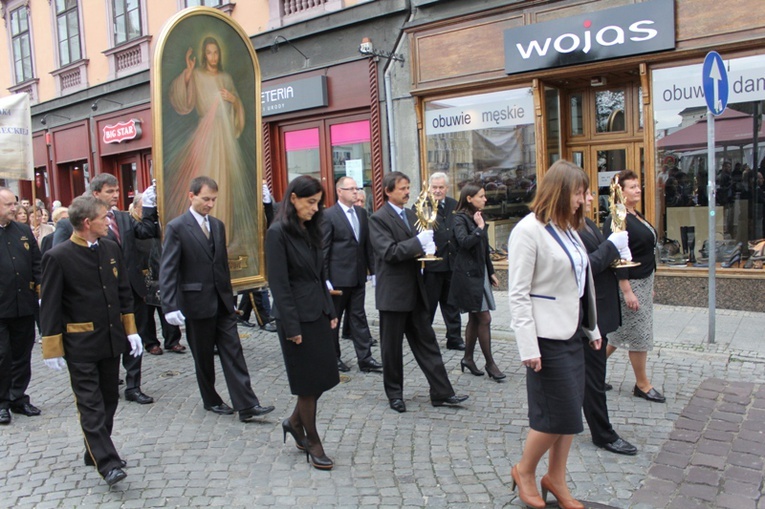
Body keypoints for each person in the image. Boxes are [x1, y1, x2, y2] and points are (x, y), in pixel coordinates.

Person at [507, 160, 601, 509]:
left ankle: (556, 478)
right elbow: (517, 294)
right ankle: (525, 470)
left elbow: (581, 281)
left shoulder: (569, 229)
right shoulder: (528, 231)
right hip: (545, 339)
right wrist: (527, 345)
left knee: (571, 415)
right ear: (561, 192)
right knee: (554, 416)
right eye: (579, 192)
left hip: (572, 333)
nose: (584, 199)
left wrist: (591, 326)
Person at [40, 195, 143, 486]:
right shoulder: (58, 256)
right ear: (87, 223)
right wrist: (52, 347)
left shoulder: (110, 248)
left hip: (110, 339)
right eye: (104, 217)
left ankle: (94, 450)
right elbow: (50, 304)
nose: (109, 221)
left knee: (110, 398)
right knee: (91, 404)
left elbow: (122, 290)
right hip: (80, 343)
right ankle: (107, 462)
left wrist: (131, 329)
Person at [160, 176, 274, 422]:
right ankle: (211, 399)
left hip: (222, 303)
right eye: (206, 199)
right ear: (191, 196)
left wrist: (230, 298)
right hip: (195, 303)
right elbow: (168, 268)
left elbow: (221, 265)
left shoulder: (218, 226)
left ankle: (246, 404)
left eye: (213, 199)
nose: (210, 204)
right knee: (203, 357)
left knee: (234, 351)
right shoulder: (177, 227)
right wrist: (169, 305)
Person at [52, 174, 158, 405]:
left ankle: (133, 385)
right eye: (110, 191)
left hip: (128, 288)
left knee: (133, 337)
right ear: (96, 193)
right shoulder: (71, 222)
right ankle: (106, 378)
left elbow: (147, 231)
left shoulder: (122, 217)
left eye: (117, 190)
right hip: (94, 294)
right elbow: (60, 258)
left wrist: (150, 206)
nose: (116, 195)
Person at [369, 171, 468, 413]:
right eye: (402, 188)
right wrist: (418, 243)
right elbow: (389, 252)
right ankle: (395, 394)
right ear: (388, 191)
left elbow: (417, 247)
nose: (406, 192)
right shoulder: (378, 218)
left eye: (408, 187)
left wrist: (428, 246)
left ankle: (442, 392)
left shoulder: (412, 214)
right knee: (391, 349)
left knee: (428, 342)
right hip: (393, 295)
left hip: (415, 291)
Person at [266, 175, 340, 470]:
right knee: (307, 385)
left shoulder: (312, 227)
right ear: (293, 198)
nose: (315, 207)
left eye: (318, 202)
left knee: (323, 378)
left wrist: (330, 309)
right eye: (310, 202)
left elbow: (319, 276)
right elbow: (279, 284)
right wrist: (292, 326)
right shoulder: (277, 233)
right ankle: (312, 439)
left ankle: (294, 423)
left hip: (318, 312)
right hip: (295, 318)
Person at [165, 36, 253, 255]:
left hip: (225, 137)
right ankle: (204, 238)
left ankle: (225, 234)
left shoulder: (226, 77)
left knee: (226, 181)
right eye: (209, 52)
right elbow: (181, 98)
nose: (213, 57)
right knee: (208, 175)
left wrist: (233, 100)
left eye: (216, 52)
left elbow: (238, 110)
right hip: (206, 135)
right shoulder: (196, 74)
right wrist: (188, 71)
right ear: (204, 55)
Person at [578, 189, 638, 456]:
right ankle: (602, 433)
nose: (591, 198)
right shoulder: (568, 229)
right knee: (592, 378)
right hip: (587, 315)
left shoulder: (587, 223)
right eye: (585, 193)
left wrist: (619, 254)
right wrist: (612, 246)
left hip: (600, 308)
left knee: (593, 376)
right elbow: (584, 267)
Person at [604, 170, 665, 403]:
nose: (638, 190)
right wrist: (627, 289)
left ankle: (591, 369)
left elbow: (647, 250)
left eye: (638, 186)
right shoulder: (618, 216)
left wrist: (650, 283)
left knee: (617, 335)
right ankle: (642, 384)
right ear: (620, 191)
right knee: (639, 335)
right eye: (632, 187)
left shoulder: (635, 214)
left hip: (643, 279)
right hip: (629, 282)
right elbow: (616, 256)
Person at [323, 176, 382, 373]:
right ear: (339, 191)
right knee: (335, 319)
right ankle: (333, 357)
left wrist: (372, 272)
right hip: (338, 278)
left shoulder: (361, 213)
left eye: (356, 188)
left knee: (358, 317)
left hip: (357, 276)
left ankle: (365, 358)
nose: (355, 192)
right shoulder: (329, 215)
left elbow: (367, 245)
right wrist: (325, 279)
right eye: (351, 189)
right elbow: (324, 249)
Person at [448, 184, 504, 380]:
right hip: (468, 277)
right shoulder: (459, 218)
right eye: (481, 196)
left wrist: (491, 271)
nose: (485, 199)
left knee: (475, 318)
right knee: (484, 318)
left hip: (480, 275)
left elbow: (483, 248)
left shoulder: (479, 216)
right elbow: (464, 243)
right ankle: (490, 363)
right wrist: (480, 228)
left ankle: (468, 359)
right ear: (469, 198)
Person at [0, 188, 42, 425]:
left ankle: (18, 397)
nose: (14, 209)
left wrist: (41, 291)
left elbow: (37, 264)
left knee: (22, 353)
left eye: (14, 204)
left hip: (23, 304)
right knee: (2, 355)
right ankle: (2, 401)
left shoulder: (23, 231)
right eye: (8, 205)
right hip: (1, 306)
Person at [130, 194, 185, 355]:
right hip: (143, 271)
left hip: (159, 268)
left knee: (165, 304)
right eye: (143, 208)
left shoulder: (156, 224)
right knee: (146, 312)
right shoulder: (132, 224)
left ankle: (172, 340)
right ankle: (150, 342)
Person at [421, 172, 464, 351]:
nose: (438, 191)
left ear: (447, 188)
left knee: (452, 304)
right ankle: (424, 339)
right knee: (428, 305)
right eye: (435, 187)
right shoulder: (423, 206)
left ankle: (454, 338)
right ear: (430, 188)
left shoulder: (455, 205)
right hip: (433, 265)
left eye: (441, 187)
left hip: (451, 263)